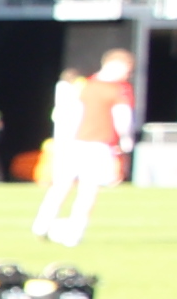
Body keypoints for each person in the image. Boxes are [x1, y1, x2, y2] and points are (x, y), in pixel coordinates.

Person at [33, 51, 131, 252]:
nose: (127, 74)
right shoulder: (118, 90)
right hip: (97, 144)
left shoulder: (84, 85)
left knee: (65, 185)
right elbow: (123, 118)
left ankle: (44, 225)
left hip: (75, 143)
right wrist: (126, 140)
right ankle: (71, 233)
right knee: (87, 189)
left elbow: (65, 114)